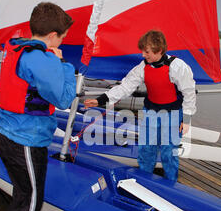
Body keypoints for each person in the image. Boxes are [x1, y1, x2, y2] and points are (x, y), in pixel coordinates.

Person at [0, 2, 76, 211]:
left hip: (14, 135)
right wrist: (65, 66)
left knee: (28, 192)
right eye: (62, 38)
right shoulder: (42, 59)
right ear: (52, 37)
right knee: (30, 197)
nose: (62, 42)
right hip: (22, 140)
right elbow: (63, 98)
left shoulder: (21, 47)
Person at [84, 30, 196, 181]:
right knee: (146, 151)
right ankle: (144, 181)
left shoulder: (178, 67)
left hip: (173, 115)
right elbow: (125, 87)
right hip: (150, 112)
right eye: (143, 51)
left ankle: (171, 185)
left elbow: (189, 92)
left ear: (159, 50)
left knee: (169, 154)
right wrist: (101, 99)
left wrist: (187, 119)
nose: (143, 55)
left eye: (147, 51)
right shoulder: (142, 67)